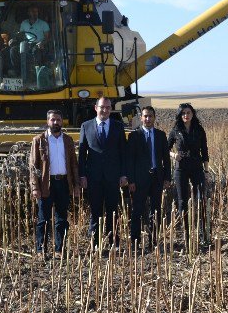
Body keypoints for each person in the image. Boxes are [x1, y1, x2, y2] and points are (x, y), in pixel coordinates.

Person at [29, 110, 80, 259]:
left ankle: (60, 250)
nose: (56, 122)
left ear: (62, 121)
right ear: (47, 121)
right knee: (43, 220)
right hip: (46, 184)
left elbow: (73, 165)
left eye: (58, 120)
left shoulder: (68, 140)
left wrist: (76, 185)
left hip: (64, 183)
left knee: (61, 219)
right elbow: (33, 166)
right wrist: (35, 187)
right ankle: (41, 250)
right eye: (53, 120)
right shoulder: (39, 140)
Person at [78, 97, 128, 249]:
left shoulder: (118, 127)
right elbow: (82, 154)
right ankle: (95, 243)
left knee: (113, 210)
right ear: (95, 108)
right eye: (102, 107)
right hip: (94, 177)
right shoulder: (86, 126)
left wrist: (123, 174)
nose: (105, 110)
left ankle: (114, 242)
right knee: (95, 211)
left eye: (108, 107)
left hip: (113, 177)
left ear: (111, 109)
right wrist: (82, 175)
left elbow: (123, 153)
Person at [126, 106, 171, 246]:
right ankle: (135, 241)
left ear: (154, 117)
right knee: (137, 210)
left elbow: (166, 159)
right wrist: (131, 180)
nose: (148, 119)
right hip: (139, 180)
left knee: (156, 210)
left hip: (156, 178)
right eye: (145, 116)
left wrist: (167, 178)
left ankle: (154, 240)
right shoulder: (134, 136)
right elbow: (130, 160)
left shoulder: (161, 135)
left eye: (150, 116)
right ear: (141, 118)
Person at [167, 103, 209, 244]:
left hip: (196, 166)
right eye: (183, 113)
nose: (186, 115)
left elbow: (205, 151)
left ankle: (204, 234)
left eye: (188, 112)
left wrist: (207, 170)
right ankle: (186, 235)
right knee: (182, 201)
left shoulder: (199, 130)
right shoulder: (175, 130)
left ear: (193, 114)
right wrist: (174, 155)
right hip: (181, 168)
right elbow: (165, 149)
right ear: (180, 115)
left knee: (201, 198)